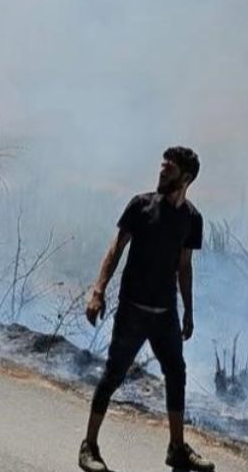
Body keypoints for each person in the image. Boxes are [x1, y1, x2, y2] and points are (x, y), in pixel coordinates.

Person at [78, 146, 215, 472]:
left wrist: (188, 311)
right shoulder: (141, 206)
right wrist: (98, 291)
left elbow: (184, 266)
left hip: (165, 313)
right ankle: (89, 447)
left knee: (177, 375)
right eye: (161, 168)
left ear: (186, 178)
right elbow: (116, 248)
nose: (162, 173)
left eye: (169, 170)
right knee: (113, 375)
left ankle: (177, 449)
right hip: (133, 310)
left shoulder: (192, 218)